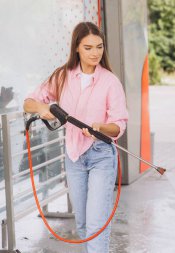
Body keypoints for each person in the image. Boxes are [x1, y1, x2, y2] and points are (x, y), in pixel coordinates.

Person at [23, 21, 128, 253]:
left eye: (99, 47)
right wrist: (42, 108)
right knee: (82, 225)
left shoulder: (110, 81)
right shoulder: (62, 76)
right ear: (77, 48)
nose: (95, 53)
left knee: (95, 226)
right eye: (88, 47)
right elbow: (28, 102)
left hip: (101, 155)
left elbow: (119, 123)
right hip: (74, 156)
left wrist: (101, 127)